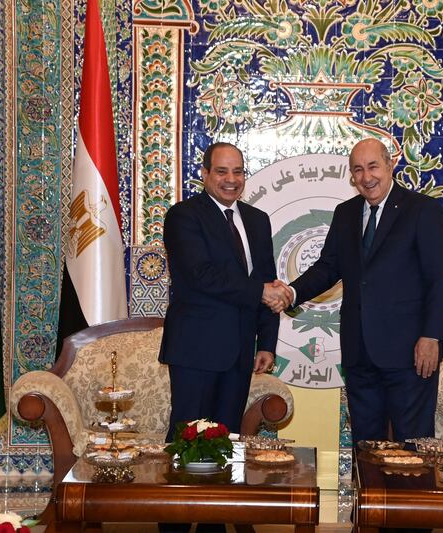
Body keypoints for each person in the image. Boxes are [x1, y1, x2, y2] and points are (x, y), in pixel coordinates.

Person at [284, 138, 443, 443]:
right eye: (358, 170)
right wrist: (291, 293)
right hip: (359, 352)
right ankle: (370, 494)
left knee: (412, 448)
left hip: (409, 353)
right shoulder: (345, 213)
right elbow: (327, 268)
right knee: (366, 446)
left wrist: (431, 336)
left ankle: (408, 493)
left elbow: (439, 278)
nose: (366, 177)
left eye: (373, 166)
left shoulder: (421, 210)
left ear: (390, 165)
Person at [159, 143, 289, 533]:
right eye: (222, 172)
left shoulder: (258, 219)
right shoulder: (184, 216)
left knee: (227, 443)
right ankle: (175, 525)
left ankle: (215, 523)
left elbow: (265, 277)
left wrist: (266, 342)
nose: (231, 180)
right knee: (186, 442)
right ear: (205, 174)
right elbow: (202, 276)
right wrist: (261, 293)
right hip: (196, 348)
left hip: (238, 351)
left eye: (238, 172)